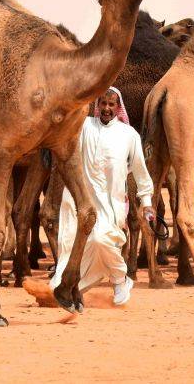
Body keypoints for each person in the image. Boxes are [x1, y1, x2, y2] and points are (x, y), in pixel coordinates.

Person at [49, 86, 154, 305]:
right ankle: (72, 285)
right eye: (103, 104)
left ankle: (120, 279)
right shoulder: (84, 127)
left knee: (101, 239)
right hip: (80, 201)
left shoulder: (129, 135)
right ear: (97, 106)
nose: (106, 108)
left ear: (118, 107)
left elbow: (141, 171)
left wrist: (146, 202)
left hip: (110, 203)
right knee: (71, 247)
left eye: (111, 104)